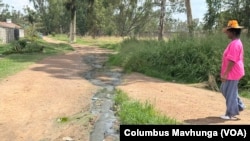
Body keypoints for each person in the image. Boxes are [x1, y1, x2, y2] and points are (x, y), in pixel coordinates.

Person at [220, 20, 246, 120]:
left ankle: (230, 114)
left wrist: (225, 73)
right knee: (226, 90)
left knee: (229, 91)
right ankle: (239, 106)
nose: (226, 33)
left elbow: (232, 60)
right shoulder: (234, 43)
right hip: (233, 71)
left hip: (233, 72)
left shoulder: (235, 44)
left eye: (228, 31)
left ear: (233, 32)